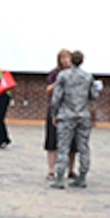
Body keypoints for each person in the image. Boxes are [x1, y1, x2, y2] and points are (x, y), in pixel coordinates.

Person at [50, 50, 100, 189]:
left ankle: (59, 178)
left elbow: (56, 98)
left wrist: (54, 114)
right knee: (83, 147)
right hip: (83, 115)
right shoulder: (88, 76)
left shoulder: (63, 76)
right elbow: (94, 95)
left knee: (63, 147)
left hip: (66, 115)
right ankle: (82, 177)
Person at [45, 49, 78, 181]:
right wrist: (57, 82)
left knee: (73, 142)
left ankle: (71, 170)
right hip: (56, 109)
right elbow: (47, 91)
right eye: (62, 58)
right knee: (52, 140)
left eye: (67, 58)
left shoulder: (77, 74)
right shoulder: (55, 73)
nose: (65, 61)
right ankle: (51, 170)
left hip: (72, 110)